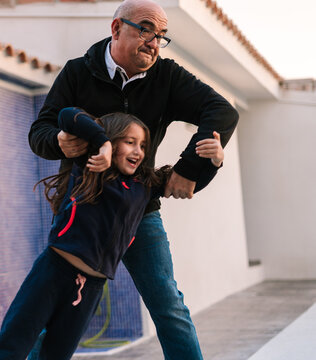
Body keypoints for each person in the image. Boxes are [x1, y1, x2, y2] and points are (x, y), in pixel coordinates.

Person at [27, 0, 239, 359]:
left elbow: (221, 112)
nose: (153, 42)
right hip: (82, 212)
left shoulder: (167, 77)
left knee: (169, 308)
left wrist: (189, 170)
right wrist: (59, 141)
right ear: (116, 29)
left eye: (160, 36)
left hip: (140, 212)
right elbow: (40, 133)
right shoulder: (77, 73)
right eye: (145, 29)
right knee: (54, 308)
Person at [0, 108, 224, 360]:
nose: (138, 151)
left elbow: (185, 186)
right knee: (14, 343)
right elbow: (67, 115)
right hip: (52, 273)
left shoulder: (144, 186)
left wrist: (215, 162)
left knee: (55, 353)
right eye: (130, 142)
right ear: (112, 142)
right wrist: (101, 143)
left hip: (90, 288)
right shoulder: (89, 165)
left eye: (143, 145)